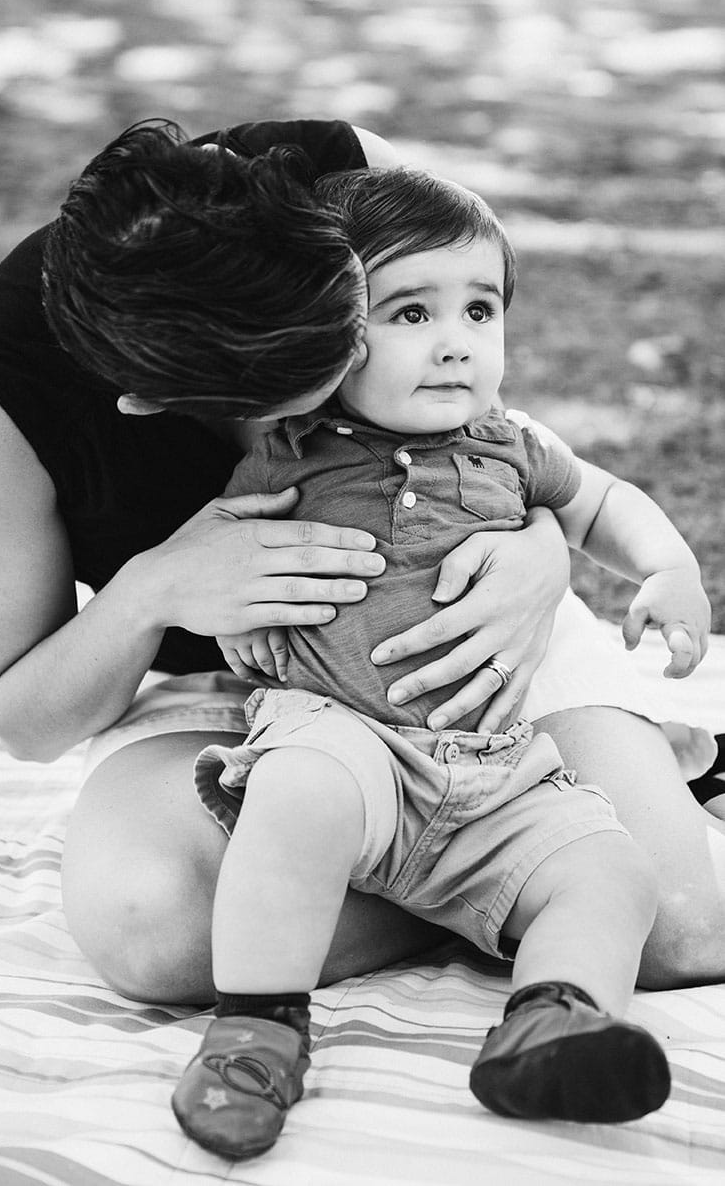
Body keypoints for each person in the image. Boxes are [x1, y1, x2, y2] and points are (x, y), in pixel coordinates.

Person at [0, 119, 723, 1025]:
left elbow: (484, 385)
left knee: (677, 926)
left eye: (352, 317)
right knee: (153, 929)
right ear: (152, 402)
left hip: (469, 652)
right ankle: (520, 878)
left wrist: (541, 549)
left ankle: (522, 843)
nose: (355, 354)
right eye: (304, 373)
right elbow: (24, 719)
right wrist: (154, 589)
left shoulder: (339, 177)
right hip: (258, 695)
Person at [169, 167, 706, 1153]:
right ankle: (255, 1032)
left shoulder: (512, 444)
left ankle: (553, 1016)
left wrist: (666, 566)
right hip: (345, 731)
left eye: (479, 308)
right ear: (332, 335)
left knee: (611, 870)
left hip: (495, 760)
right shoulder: (294, 449)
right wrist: (239, 624)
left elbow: (600, 503)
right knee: (299, 801)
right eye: (410, 312)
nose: (456, 339)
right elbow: (227, 554)